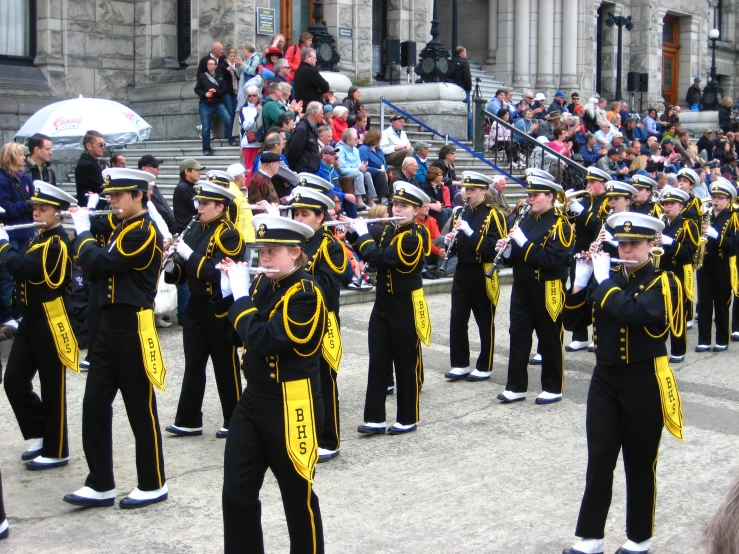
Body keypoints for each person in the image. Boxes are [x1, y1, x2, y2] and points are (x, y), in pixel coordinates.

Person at [561, 211, 684, 554]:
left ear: (650, 245)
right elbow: (573, 320)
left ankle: (639, 538)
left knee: (640, 461)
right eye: (623, 243)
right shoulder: (607, 276)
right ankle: (591, 536)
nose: (626, 251)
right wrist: (581, 282)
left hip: (644, 380)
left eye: (634, 244)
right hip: (605, 378)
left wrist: (602, 283)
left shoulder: (663, 282)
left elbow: (636, 313)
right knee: (600, 458)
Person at [219, 214, 327, 553]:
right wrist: (228, 295)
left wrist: (240, 301)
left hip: (293, 400)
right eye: (261, 251)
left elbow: (266, 340)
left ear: (295, 253)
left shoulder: (306, 293)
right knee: (236, 492)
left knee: (297, 496)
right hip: (255, 400)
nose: (264, 259)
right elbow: (236, 336)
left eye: (272, 251)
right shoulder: (263, 284)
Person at [64, 168, 168, 509]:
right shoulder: (123, 225)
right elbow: (95, 249)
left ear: (139, 195)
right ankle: (100, 483)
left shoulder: (145, 230)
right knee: (94, 405)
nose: (112, 202)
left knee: (140, 409)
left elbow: (104, 262)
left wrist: (82, 233)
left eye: (118, 196)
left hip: (133, 327)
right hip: (109, 327)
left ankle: (153, 483)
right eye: (109, 196)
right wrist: (83, 216)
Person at [1, 181, 79, 470]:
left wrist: (2, 243)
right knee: (14, 381)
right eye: (34, 208)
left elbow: (23, 267)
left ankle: (57, 449)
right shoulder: (40, 237)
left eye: (42, 209)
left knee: (52, 387)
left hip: (52, 319)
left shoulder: (57, 242)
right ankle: (41, 431)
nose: (35, 213)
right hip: (32, 320)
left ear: (58, 214)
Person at [346, 182, 431, 435]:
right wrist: (351, 231)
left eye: (404, 206)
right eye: (395, 204)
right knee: (378, 359)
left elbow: (380, 258)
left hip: (405, 303)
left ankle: (408, 417)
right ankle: (375, 418)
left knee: (406, 362)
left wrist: (362, 236)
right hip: (383, 302)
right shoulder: (390, 229)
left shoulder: (415, 235)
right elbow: (371, 248)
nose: (397, 208)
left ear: (417, 210)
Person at [163, 180, 244, 439]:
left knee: (225, 364)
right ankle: (188, 420)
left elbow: (217, 271)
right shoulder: (195, 228)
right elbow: (184, 272)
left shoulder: (229, 233)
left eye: (205, 204)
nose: (199, 208)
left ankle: (235, 420)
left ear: (220, 206)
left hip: (217, 305)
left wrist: (188, 255)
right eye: (199, 203)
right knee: (193, 363)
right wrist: (171, 266)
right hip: (196, 305)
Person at [496, 176, 573, 404]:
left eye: (535, 195)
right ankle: (516, 386)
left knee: (549, 336)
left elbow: (553, 259)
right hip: (522, 285)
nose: (530, 200)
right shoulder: (526, 219)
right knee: (518, 335)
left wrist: (523, 243)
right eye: (529, 195)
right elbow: (517, 257)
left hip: (548, 286)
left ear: (550, 196)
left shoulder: (561, 224)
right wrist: (508, 251)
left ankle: (553, 386)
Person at [290, 183, 347, 463]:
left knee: (325, 382)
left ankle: (330, 439)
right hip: (296, 321)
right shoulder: (292, 242)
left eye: (304, 214)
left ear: (320, 217)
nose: (297, 219)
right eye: (295, 214)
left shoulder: (330, 245)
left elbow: (326, 285)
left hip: (323, 321)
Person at [443, 172, 507, 382]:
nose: (467, 193)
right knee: (457, 317)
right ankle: (460, 363)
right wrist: (449, 243)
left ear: (483, 191)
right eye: (465, 189)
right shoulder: (458, 213)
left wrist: (470, 233)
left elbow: (493, 249)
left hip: (484, 270)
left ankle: (485, 364)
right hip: (463, 270)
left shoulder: (494, 214)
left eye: (471, 190)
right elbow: (455, 249)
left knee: (484, 319)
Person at [565, 166, 611, 352]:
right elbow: (570, 224)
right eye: (588, 182)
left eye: (592, 182)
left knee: (596, 295)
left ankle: (597, 335)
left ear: (603, 184)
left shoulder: (608, 202)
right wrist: (569, 206)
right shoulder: (584, 200)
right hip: (580, 251)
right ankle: (579, 335)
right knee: (577, 292)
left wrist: (581, 211)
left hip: (600, 253)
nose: (588, 185)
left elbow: (600, 225)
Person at [656, 187, 699, 363]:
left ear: (681, 206)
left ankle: (678, 349)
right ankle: (659, 347)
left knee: (677, 311)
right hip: (661, 272)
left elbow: (689, 253)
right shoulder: (660, 224)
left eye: (672, 204)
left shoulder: (688, 225)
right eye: (665, 204)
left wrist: (671, 243)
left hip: (678, 273)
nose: (667, 207)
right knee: (660, 312)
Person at [695, 179, 739, 353]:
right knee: (704, 303)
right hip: (705, 264)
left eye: (720, 198)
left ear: (728, 200)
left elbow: (733, 244)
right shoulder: (706, 216)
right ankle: (704, 340)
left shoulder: (733, 218)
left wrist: (715, 235)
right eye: (714, 197)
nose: (716, 201)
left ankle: (722, 339)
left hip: (722, 264)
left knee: (721, 302)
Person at [0, 142, 36, 331]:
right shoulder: (2, 180)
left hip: (27, 231)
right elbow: (5, 209)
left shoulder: (25, 178)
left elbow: (33, 200)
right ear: (11, 156)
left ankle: (19, 310)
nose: (24, 157)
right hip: (11, 232)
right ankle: (6, 314)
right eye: (21, 155)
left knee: (22, 274)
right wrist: (27, 205)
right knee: (7, 276)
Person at [195, 58, 237, 154]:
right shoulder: (202, 77)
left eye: (211, 64)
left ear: (215, 66)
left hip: (218, 103)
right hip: (205, 104)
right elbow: (197, 89)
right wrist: (205, 94)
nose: (209, 66)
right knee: (205, 127)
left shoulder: (220, 77)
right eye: (208, 64)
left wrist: (216, 92)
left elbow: (224, 90)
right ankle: (206, 149)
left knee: (228, 119)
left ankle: (231, 139)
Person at [337, 128, 376, 209]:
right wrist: (359, 169)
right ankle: (359, 201)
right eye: (355, 139)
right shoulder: (340, 149)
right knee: (359, 174)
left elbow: (359, 165)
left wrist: (363, 167)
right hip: (344, 173)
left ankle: (371, 200)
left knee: (367, 174)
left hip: (355, 171)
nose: (357, 140)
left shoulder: (355, 150)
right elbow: (341, 169)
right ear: (348, 140)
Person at [286, 101, 323, 173]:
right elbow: (294, 151)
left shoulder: (312, 127)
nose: (323, 115)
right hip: (303, 172)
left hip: (310, 171)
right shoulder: (302, 129)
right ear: (315, 113)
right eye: (321, 113)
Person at [357, 129, 390, 205]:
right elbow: (364, 165)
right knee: (380, 174)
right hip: (369, 172)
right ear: (376, 139)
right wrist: (378, 170)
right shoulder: (363, 149)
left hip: (381, 171)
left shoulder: (378, 149)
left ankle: (391, 196)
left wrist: (385, 170)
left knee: (391, 175)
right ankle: (383, 198)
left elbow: (384, 162)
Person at [74, 130, 105, 205]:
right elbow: (103, 185)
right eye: (100, 145)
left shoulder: (91, 161)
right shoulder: (87, 165)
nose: (103, 148)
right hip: (91, 208)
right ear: (89, 146)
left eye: (104, 145)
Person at [451, 46, 473, 140]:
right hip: (463, 90)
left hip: (452, 90)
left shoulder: (450, 62)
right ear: (462, 53)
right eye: (465, 52)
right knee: (467, 113)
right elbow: (467, 77)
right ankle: (469, 135)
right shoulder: (464, 62)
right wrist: (469, 87)